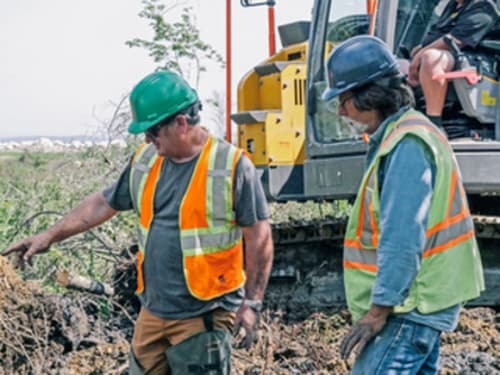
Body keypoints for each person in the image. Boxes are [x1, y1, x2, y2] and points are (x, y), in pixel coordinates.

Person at [2, 70, 274, 374]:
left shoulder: (232, 166)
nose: (147, 138)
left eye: (153, 131)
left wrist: (251, 304)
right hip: (153, 312)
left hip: (204, 316)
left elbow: (259, 239)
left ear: (181, 124)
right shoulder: (146, 160)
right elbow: (104, 203)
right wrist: (49, 236)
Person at [322, 35, 484, 374]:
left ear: (370, 95)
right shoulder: (405, 135)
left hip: (409, 306)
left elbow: (403, 236)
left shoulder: (407, 143)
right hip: (416, 303)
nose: (340, 110)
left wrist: (377, 311)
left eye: (345, 99)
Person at [406, 0, 498, 128]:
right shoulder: (453, 6)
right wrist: (420, 48)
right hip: (451, 60)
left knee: (431, 58)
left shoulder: (484, 7)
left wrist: (419, 56)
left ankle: (434, 122)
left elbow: (455, 40)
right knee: (398, 65)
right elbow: (439, 33)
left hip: (473, 65)